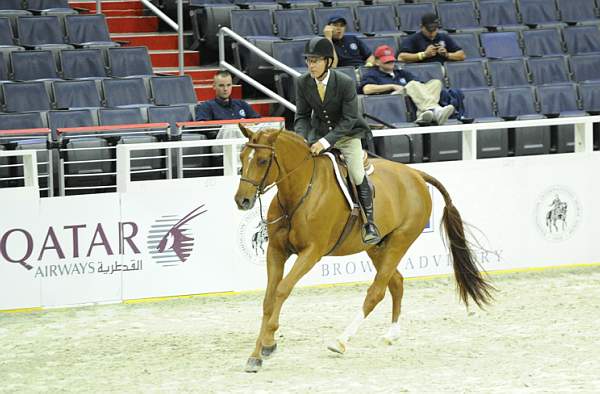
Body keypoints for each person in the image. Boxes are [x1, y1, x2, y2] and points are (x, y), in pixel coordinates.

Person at [294, 37, 381, 244]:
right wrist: (303, 139)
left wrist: (325, 143)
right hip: (318, 134)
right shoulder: (302, 82)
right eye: (308, 60)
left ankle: (369, 223)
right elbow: (302, 117)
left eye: (315, 61)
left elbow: (350, 119)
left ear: (328, 62)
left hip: (347, 135)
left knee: (357, 173)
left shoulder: (345, 82)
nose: (310, 65)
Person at [361, 45, 455, 125]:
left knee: (436, 83)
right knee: (412, 85)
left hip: (412, 95)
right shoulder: (372, 73)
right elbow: (367, 89)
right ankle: (436, 110)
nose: (390, 63)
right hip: (392, 98)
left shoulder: (401, 72)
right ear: (377, 62)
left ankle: (423, 114)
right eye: (386, 61)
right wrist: (391, 86)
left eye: (391, 60)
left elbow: (420, 84)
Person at [398, 13, 465, 64]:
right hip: (422, 71)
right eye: (429, 30)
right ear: (422, 27)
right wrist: (424, 54)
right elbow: (401, 57)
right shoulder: (413, 39)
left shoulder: (443, 37)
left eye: (434, 30)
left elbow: (461, 55)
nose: (432, 33)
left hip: (442, 69)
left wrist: (447, 55)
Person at [195, 70, 261, 121]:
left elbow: (258, 121)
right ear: (214, 86)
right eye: (221, 85)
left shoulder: (242, 104)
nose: (225, 89)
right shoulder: (206, 106)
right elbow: (202, 127)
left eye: (228, 85)